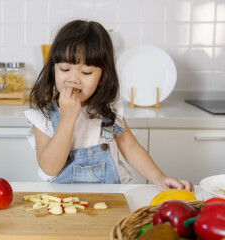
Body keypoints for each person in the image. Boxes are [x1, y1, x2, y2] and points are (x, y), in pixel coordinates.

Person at [24, 19, 193, 192]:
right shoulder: (43, 116)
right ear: (53, 69)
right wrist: (67, 119)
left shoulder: (108, 110)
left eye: (86, 72)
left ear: (102, 76)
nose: (73, 78)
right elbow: (49, 168)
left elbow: (130, 147)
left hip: (111, 200)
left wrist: (159, 177)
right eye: (65, 69)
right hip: (63, 204)